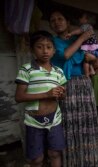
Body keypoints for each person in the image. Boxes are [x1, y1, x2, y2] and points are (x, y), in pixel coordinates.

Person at [49, 9, 98, 166]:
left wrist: (93, 58)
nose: (57, 22)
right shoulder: (52, 42)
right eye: (53, 20)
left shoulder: (81, 38)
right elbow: (66, 55)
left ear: (68, 22)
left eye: (60, 18)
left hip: (84, 84)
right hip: (66, 84)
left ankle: (89, 159)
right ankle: (72, 161)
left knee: (86, 122)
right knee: (69, 124)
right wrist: (83, 37)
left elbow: (97, 62)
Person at [15, 30, 67, 167]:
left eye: (49, 47)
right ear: (32, 49)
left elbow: (63, 96)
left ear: (54, 50)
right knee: (36, 159)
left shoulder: (58, 72)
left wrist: (62, 94)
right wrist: (46, 94)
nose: (45, 51)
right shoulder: (26, 69)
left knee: (55, 153)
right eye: (40, 46)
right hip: (33, 121)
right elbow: (19, 97)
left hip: (55, 119)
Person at [65, 12, 98, 78]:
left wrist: (71, 33)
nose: (79, 19)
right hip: (94, 47)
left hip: (89, 47)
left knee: (85, 60)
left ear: (86, 20)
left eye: (81, 18)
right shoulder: (90, 27)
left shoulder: (86, 26)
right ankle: (92, 70)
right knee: (88, 59)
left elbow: (78, 31)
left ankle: (87, 74)